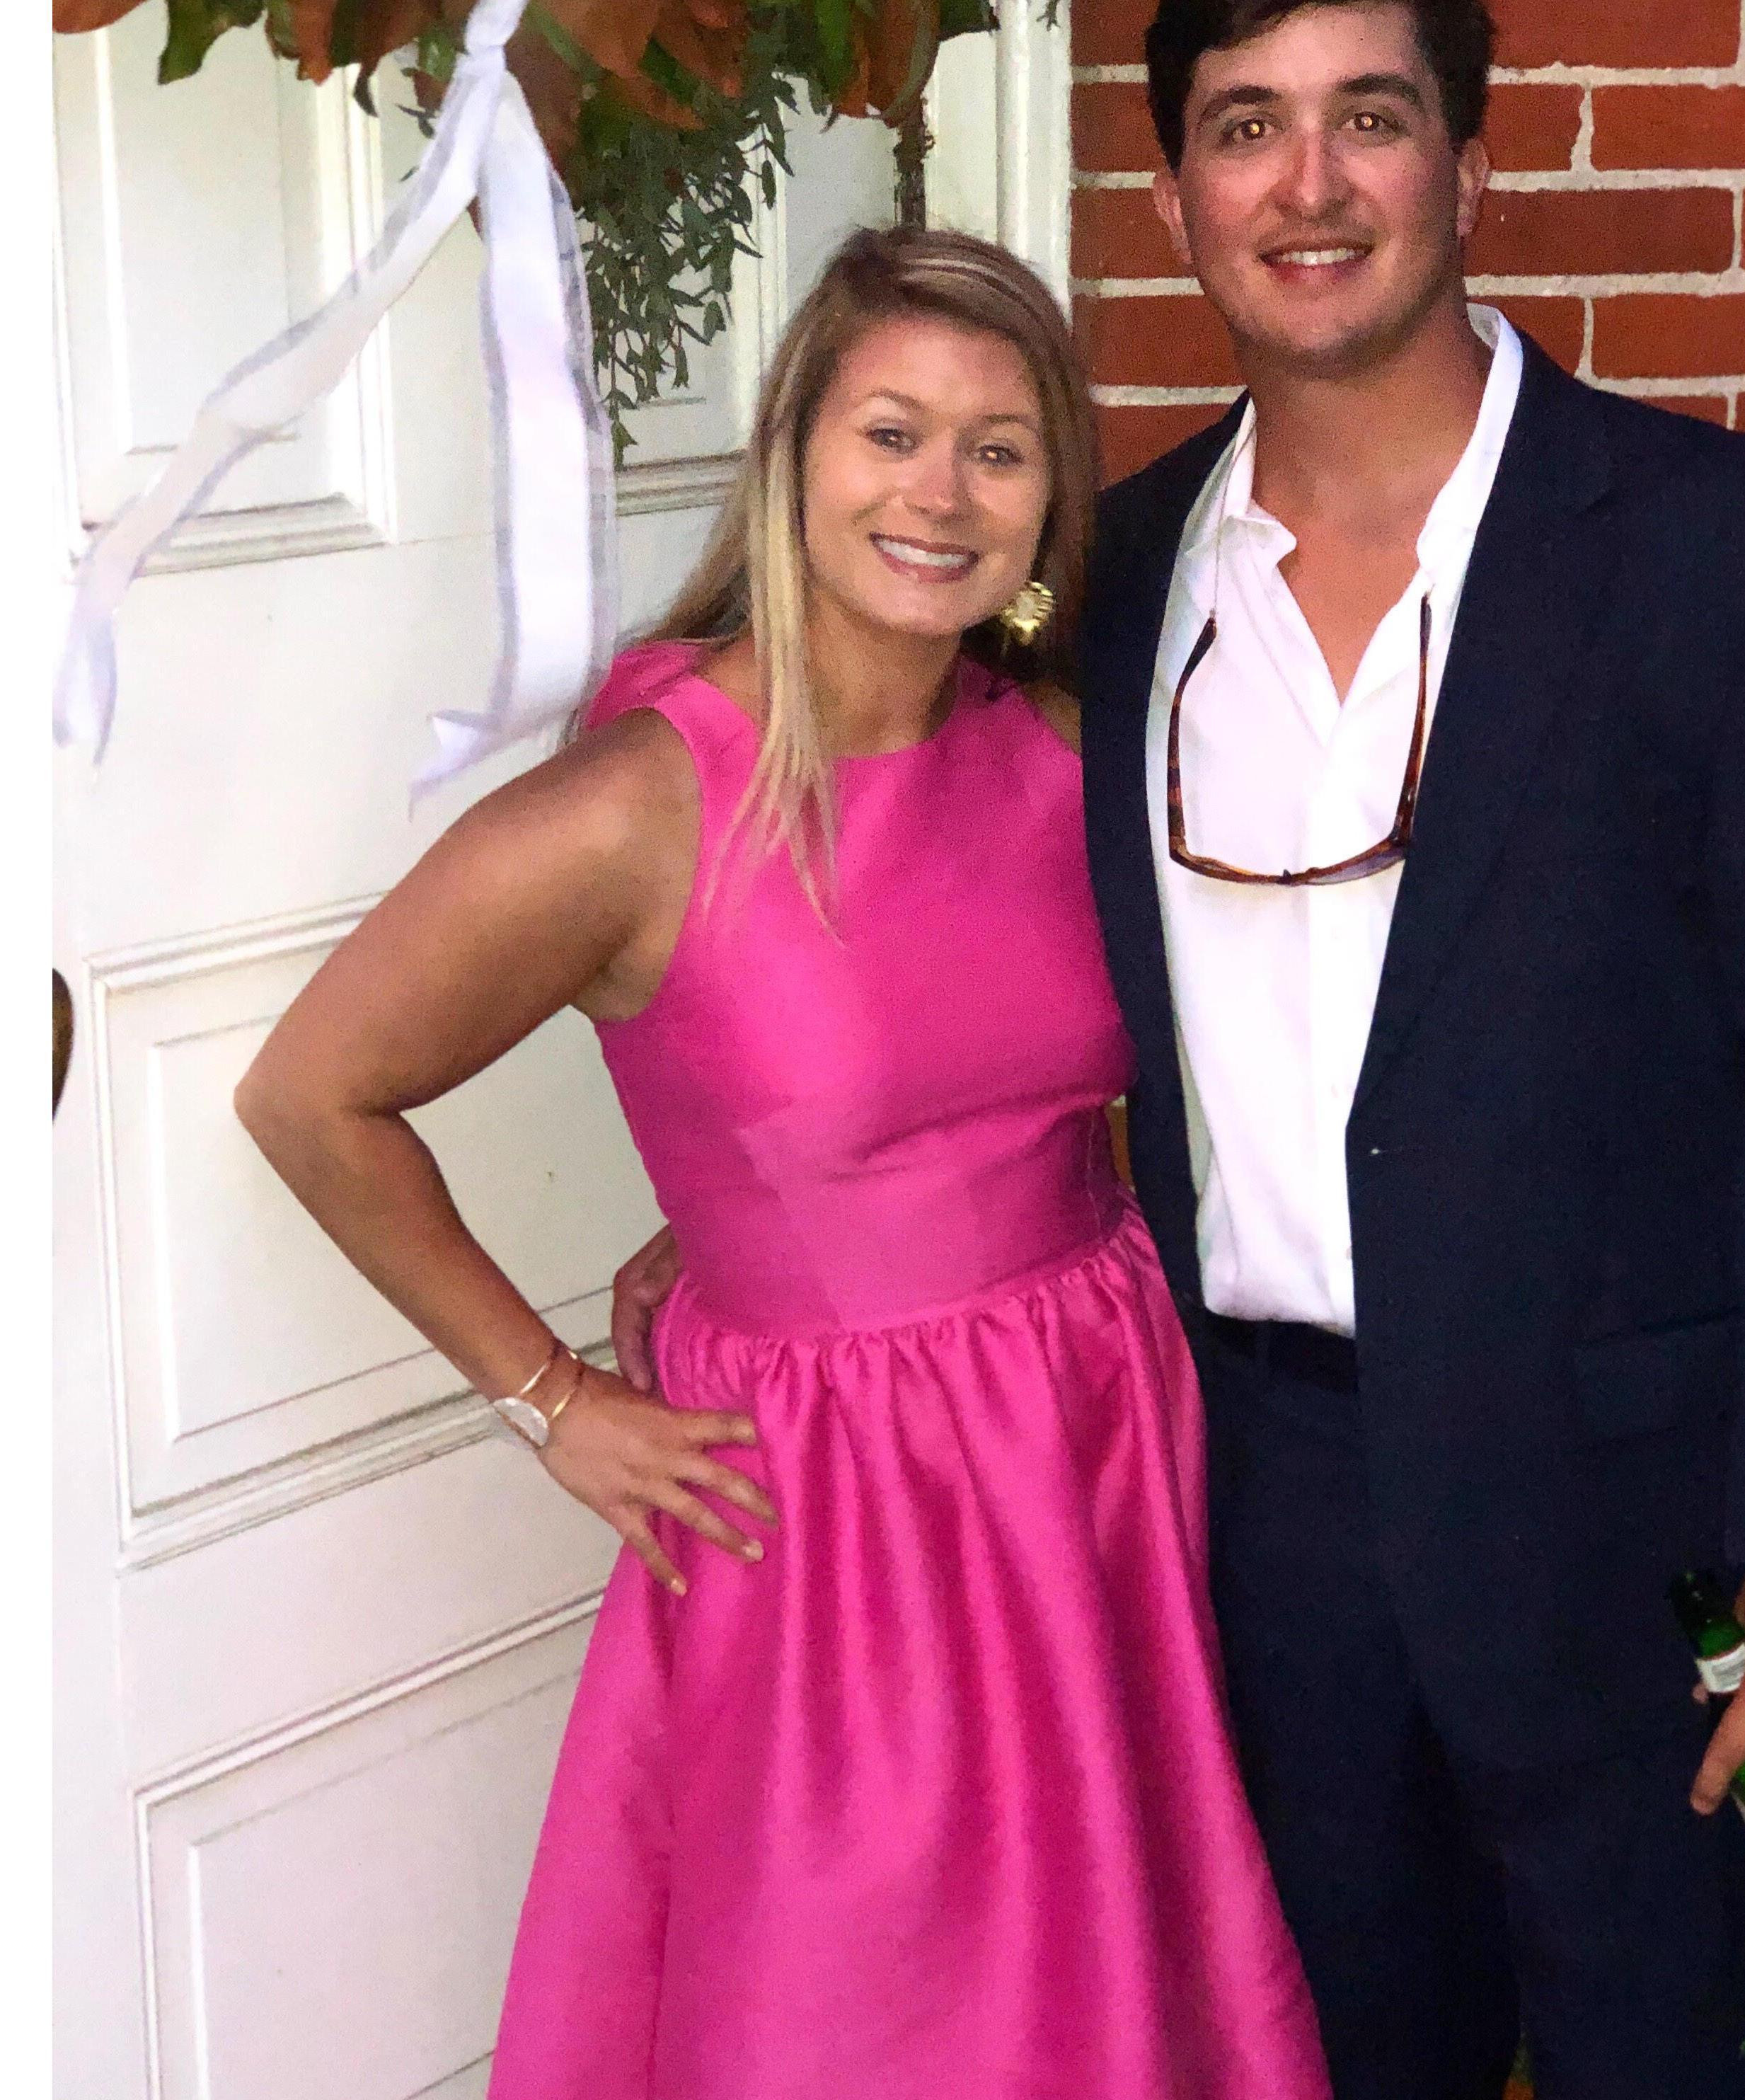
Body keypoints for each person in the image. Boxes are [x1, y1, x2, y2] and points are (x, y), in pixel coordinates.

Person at [602, 0, 1745, 2097]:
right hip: (1251, 1512)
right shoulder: (1098, 583)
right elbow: (924, 919)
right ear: (1175, 200)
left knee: (1670, 2050)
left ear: (1467, 164)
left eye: (1371, 117)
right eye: (1247, 127)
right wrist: (763, 1205)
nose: (1310, 182)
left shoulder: (1740, 556)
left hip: (1633, 1518)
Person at [235, 226, 1328, 2100]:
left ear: (1052, 500)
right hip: (836, 1507)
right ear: (794, 452)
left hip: (1093, 1429)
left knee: (1110, 1976)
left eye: (999, 449)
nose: (940, 494)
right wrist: (548, 1398)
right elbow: (311, 1098)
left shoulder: (1068, 743)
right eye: (891, 432)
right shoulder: (632, 807)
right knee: (859, 2002)